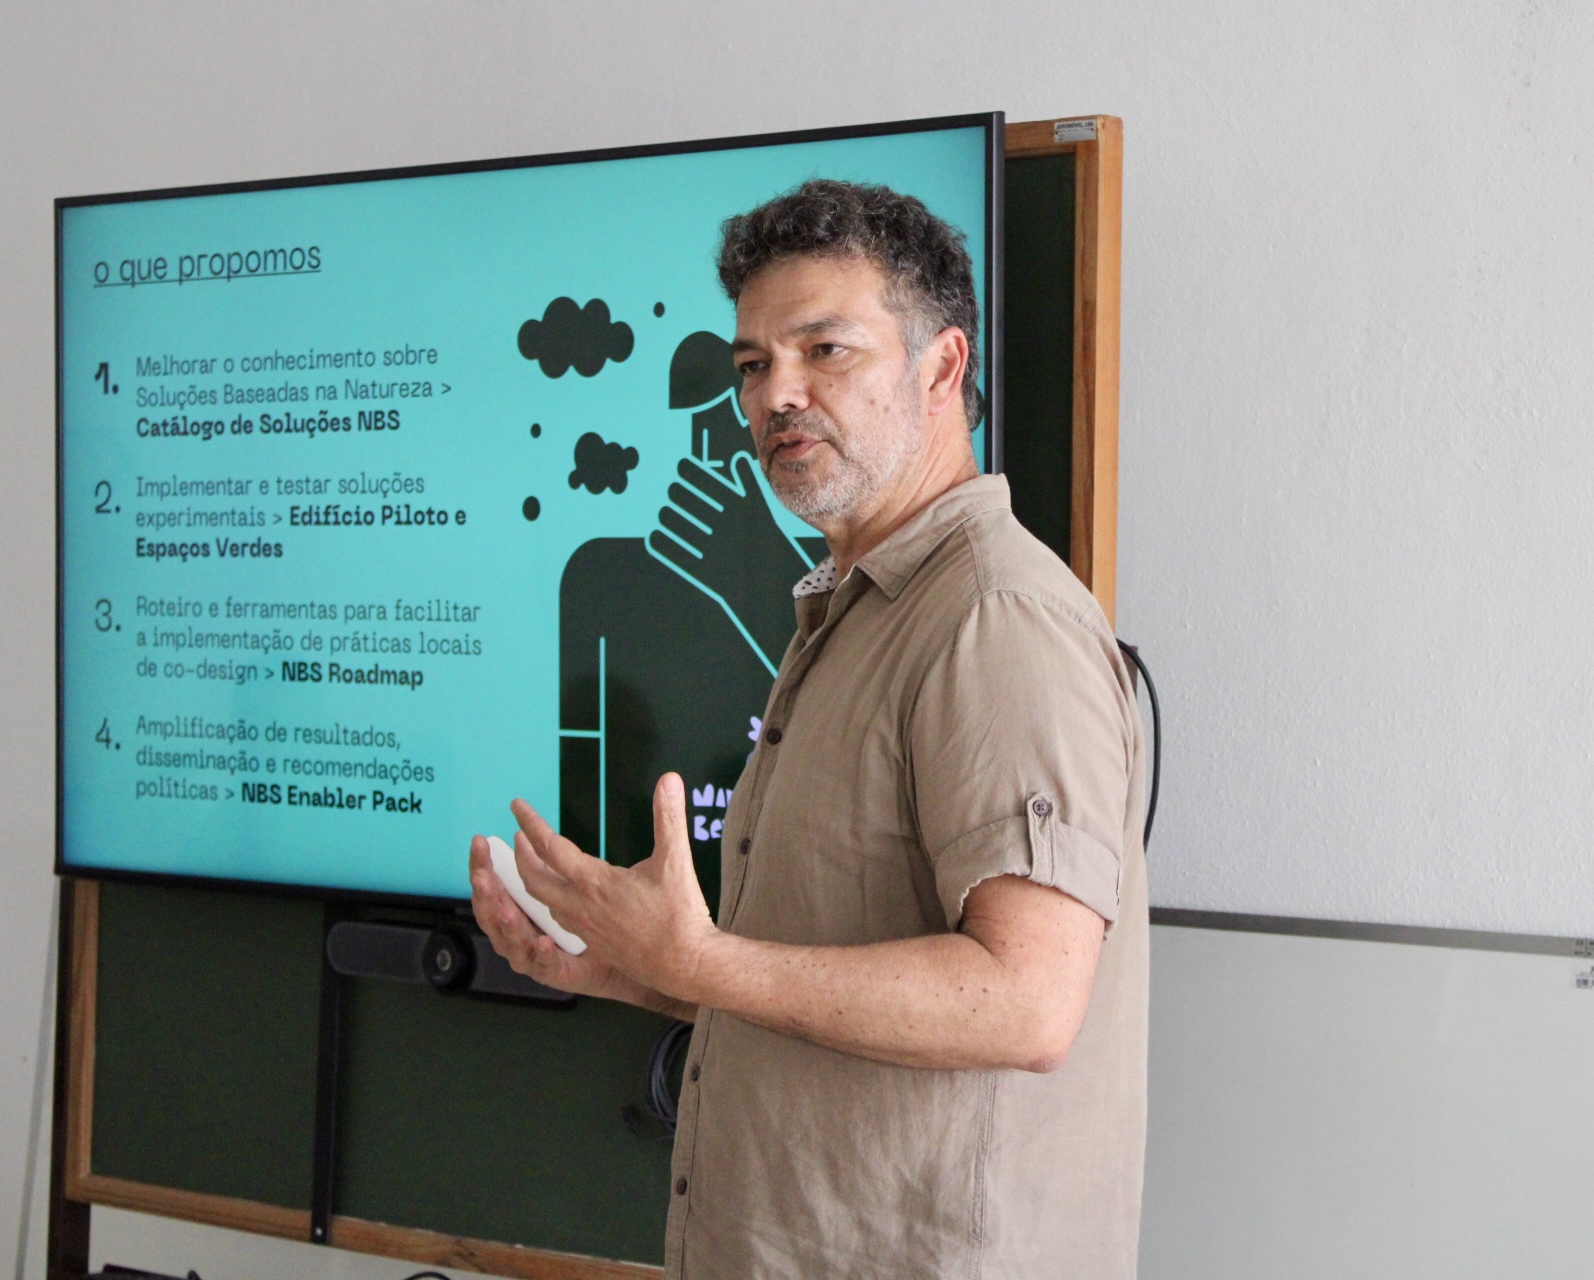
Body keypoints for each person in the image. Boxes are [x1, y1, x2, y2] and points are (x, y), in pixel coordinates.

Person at [472, 179, 1149, 1278]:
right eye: (752, 364)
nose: (774, 395)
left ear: (942, 369)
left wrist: (701, 959)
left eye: (825, 350)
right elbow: (824, 966)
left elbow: (1027, 1002)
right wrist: (635, 966)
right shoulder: (852, 609)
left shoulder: (994, 617)